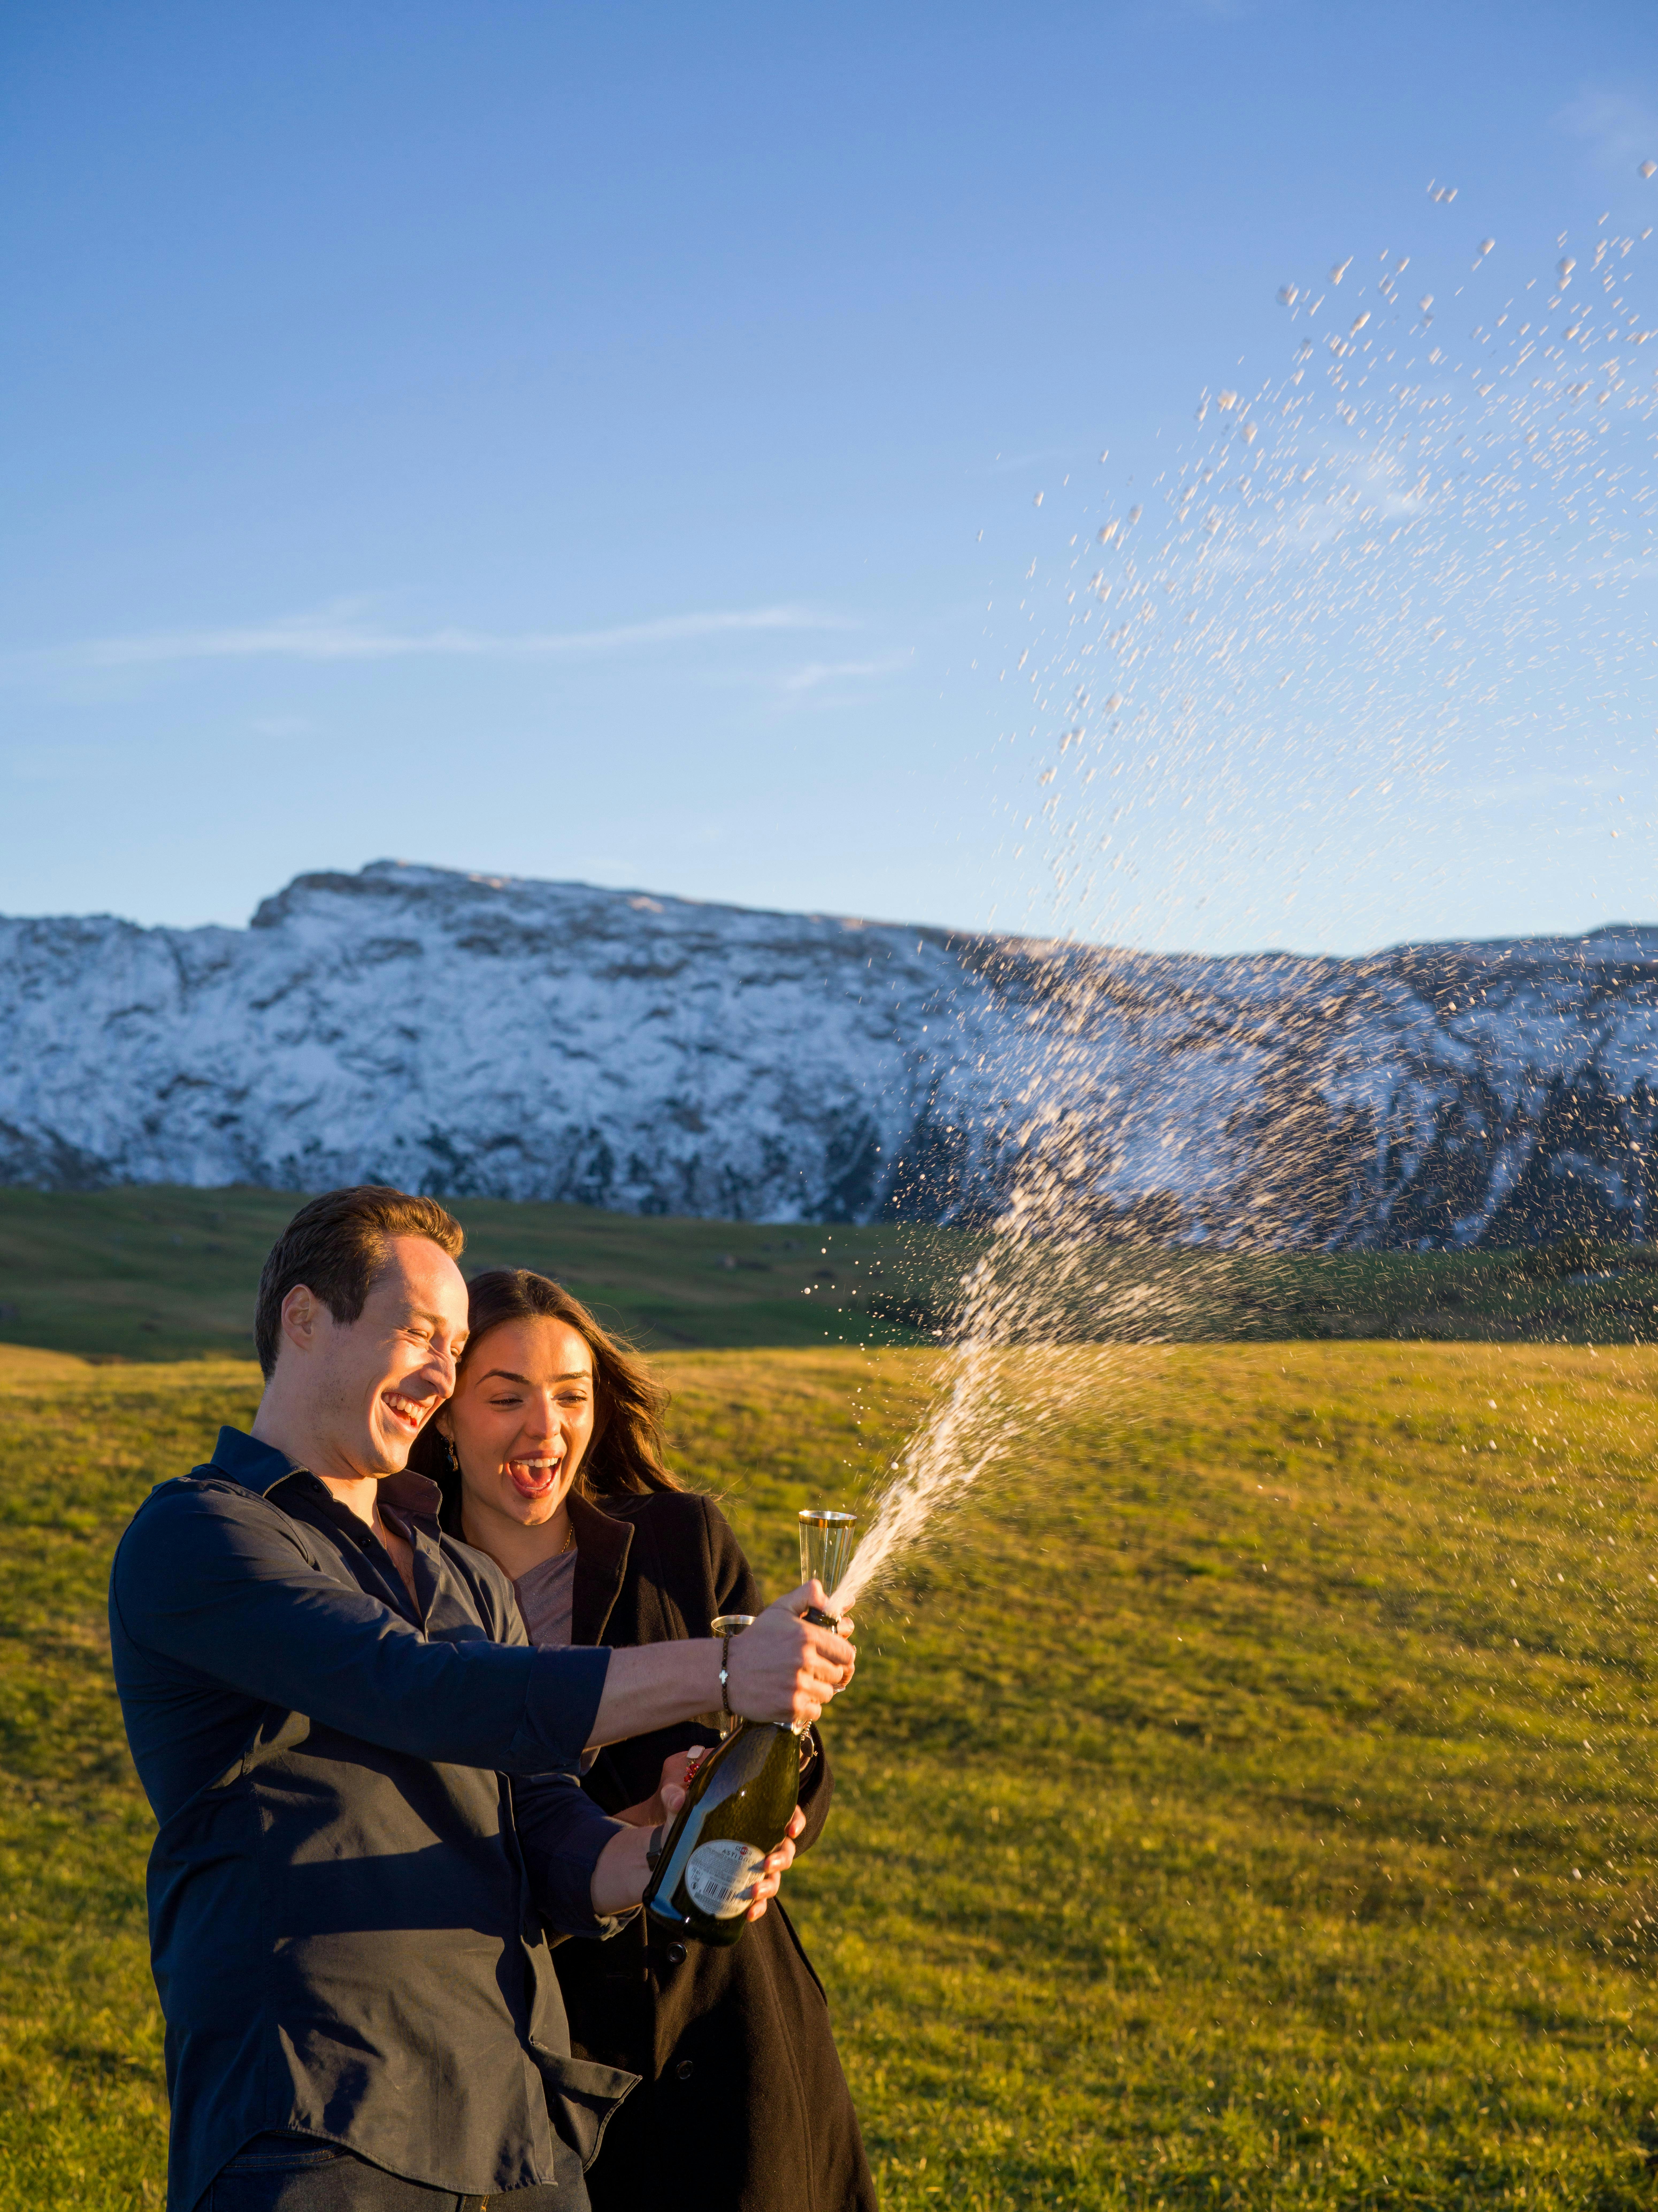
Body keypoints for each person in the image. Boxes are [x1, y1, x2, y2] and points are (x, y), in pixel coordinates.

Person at [109, 1187, 856, 2212]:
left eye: (452, 1348)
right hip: (319, 2123)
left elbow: (538, 1823)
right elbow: (421, 1689)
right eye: (418, 1333)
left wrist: (662, 1848)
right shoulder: (204, 1537)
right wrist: (725, 1671)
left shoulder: (465, 1582)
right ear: (303, 1318)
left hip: (518, 2140)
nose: (437, 1373)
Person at [410, 1267, 878, 2212]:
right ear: (444, 1417)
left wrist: (781, 1770)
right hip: (544, 2045)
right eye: (506, 1397)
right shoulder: (405, 1597)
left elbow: (795, 1763)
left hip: (729, 2024)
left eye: (572, 1397)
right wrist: (638, 1827)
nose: (548, 1429)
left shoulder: (677, 1539)